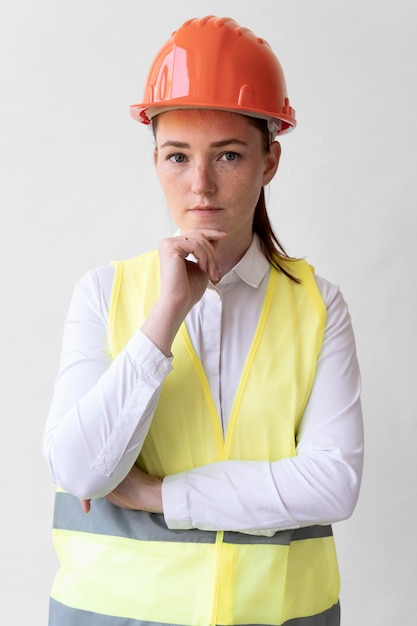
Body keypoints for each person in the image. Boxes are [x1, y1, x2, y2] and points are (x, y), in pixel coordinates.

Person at [42, 15, 364, 626]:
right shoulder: (104, 294)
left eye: (229, 155)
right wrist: (164, 318)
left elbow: (333, 483)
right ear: (155, 159)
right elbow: (80, 470)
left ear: (270, 161)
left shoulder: (318, 306)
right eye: (176, 156)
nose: (200, 186)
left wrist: (161, 496)